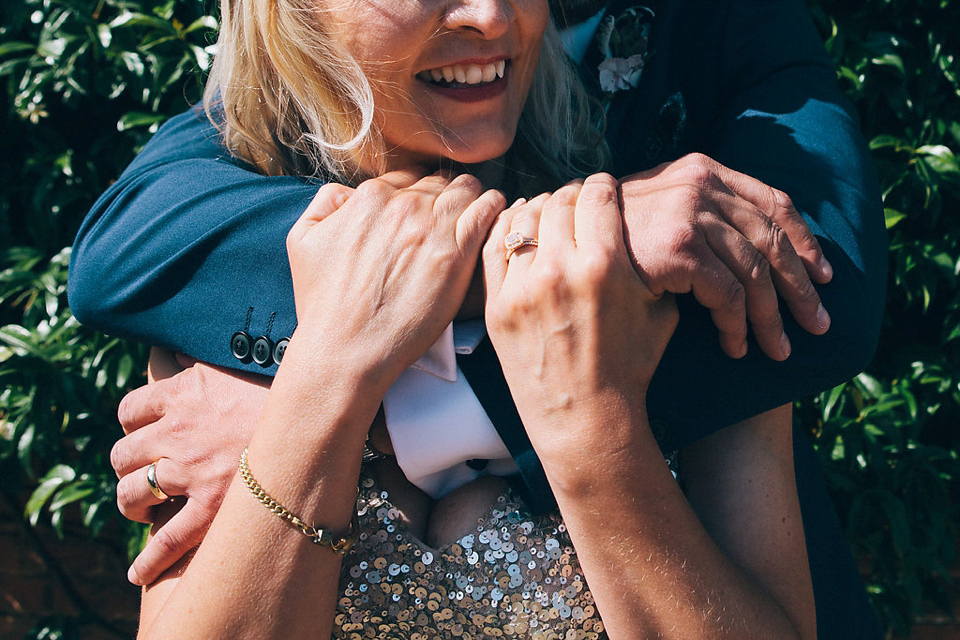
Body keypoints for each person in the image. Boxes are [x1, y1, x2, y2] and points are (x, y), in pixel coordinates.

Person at [69, 0, 887, 636]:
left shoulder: (681, 273)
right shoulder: (229, 291)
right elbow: (116, 244)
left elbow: (822, 296)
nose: (491, 17)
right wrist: (323, 390)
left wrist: (586, 419)